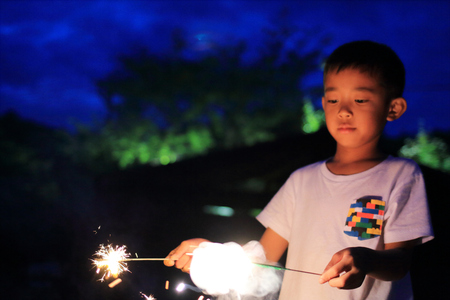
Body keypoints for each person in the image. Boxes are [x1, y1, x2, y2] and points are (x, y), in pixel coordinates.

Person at [164, 41, 434, 299]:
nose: (344, 111)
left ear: (393, 108)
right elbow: (262, 259)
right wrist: (212, 256)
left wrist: (366, 259)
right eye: (333, 100)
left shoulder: (400, 174)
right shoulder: (302, 180)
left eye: (360, 100)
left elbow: (399, 263)